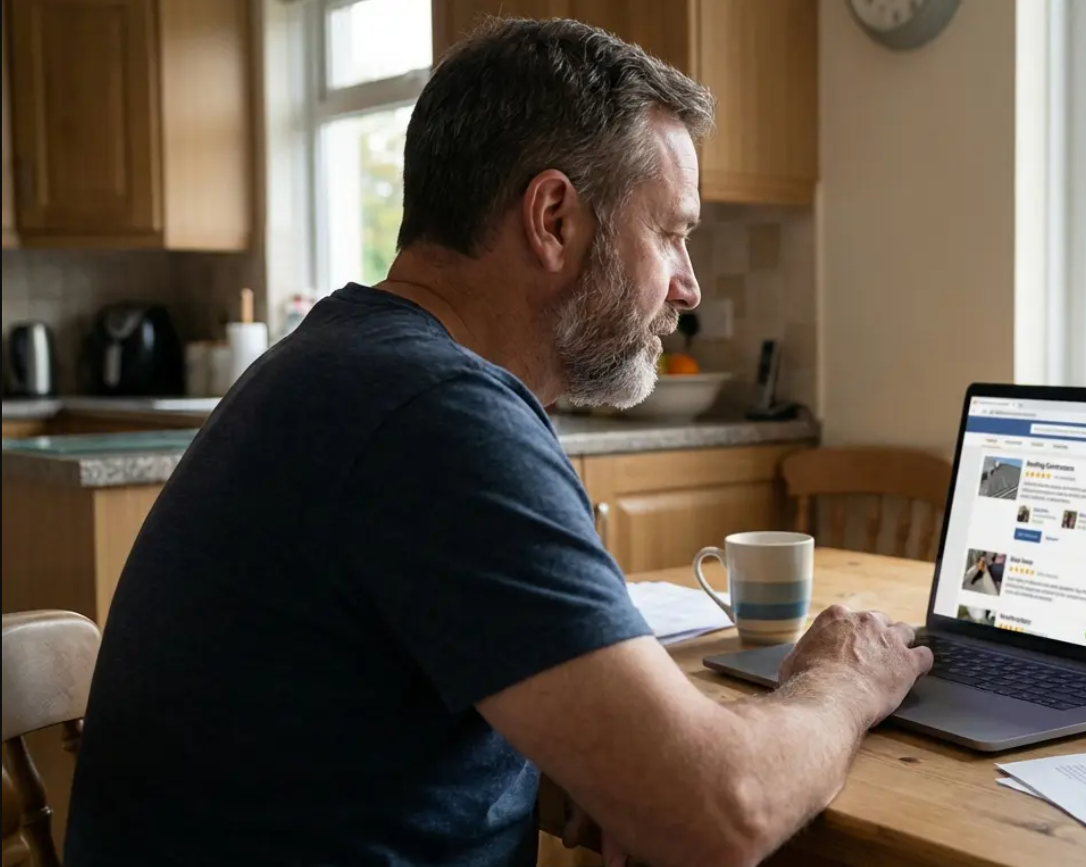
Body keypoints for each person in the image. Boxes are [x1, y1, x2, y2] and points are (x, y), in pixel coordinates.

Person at [65, 18, 930, 867]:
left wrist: (622, 772)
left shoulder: (349, 360)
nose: (688, 285)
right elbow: (718, 814)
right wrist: (841, 682)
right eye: (670, 232)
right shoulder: (435, 413)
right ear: (553, 217)